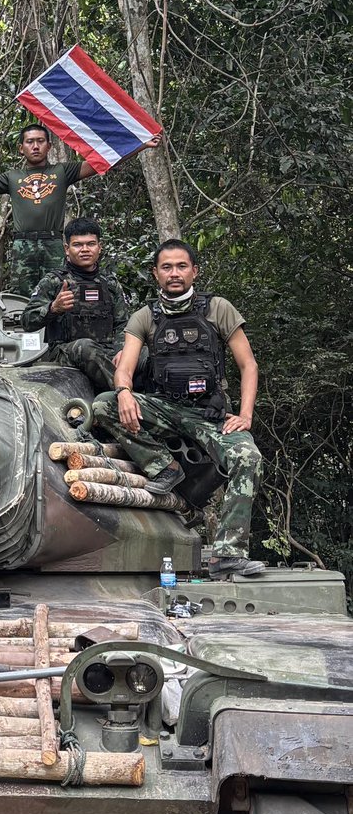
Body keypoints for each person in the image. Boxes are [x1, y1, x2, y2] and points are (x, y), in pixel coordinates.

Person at [93, 240, 265, 581]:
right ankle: (164, 467)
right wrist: (124, 392)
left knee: (249, 459)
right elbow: (124, 367)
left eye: (181, 266)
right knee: (104, 404)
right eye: (167, 267)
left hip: (210, 415)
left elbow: (249, 365)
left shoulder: (218, 309)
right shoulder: (145, 316)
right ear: (156, 273)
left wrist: (245, 415)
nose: (174, 273)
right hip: (166, 408)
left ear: (194, 271)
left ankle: (228, 555)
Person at [0, 123, 163, 296]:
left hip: (53, 243)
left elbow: (103, 163)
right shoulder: (12, 177)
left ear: (49, 146)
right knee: (22, 296)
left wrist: (140, 146)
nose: (35, 146)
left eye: (40, 141)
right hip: (23, 244)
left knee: (58, 291)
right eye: (30, 142)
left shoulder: (62, 171)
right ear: (21, 148)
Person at [21, 217, 130, 390]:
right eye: (78, 245)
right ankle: (124, 392)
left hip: (106, 351)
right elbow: (27, 321)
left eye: (91, 244)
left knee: (144, 353)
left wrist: (121, 350)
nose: (85, 250)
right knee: (85, 347)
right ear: (67, 249)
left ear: (99, 247)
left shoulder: (110, 283)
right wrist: (53, 308)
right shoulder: (54, 281)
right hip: (65, 352)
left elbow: (123, 324)